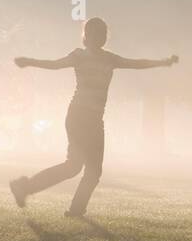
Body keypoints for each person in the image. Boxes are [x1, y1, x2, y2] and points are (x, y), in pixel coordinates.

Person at [10, 17, 178, 217]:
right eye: (96, 34)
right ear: (87, 36)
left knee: (92, 172)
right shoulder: (79, 56)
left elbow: (136, 64)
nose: (101, 38)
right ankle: (28, 188)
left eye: (104, 34)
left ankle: (72, 208)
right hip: (78, 117)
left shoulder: (110, 59)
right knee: (74, 166)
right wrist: (29, 61)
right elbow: (54, 65)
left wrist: (162, 63)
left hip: (95, 120)